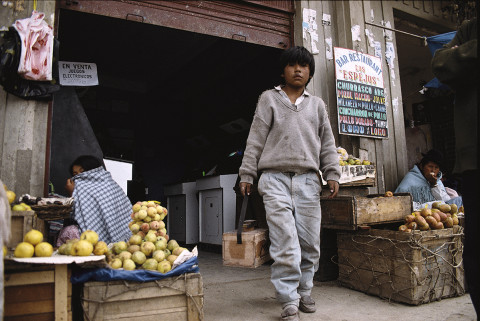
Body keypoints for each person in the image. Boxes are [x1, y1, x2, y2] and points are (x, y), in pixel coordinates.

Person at [238, 46, 340, 321]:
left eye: (304, 66)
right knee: (285, 242)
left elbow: (327, 143)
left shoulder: (317, 105)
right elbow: (255, 138)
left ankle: (305, 290)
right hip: (274, 179)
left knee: (309, 244)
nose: (298, 70)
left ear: (310, 73)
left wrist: (332, 172)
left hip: (308, 181)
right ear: (283, 70)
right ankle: (288, 300)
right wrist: (247, 174)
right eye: (293, 65)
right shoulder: (269, 99)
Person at [431, 17, 478, 315]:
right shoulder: (470, 26)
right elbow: (440, 64)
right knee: (475, 246)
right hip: (474, 159)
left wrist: (463, 54)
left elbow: (451, 60)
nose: (433, 172)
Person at [65, 155, 131, 244]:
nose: (79, 177)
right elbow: (74, 215)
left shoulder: (111, 186)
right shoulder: (79, 189)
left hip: (122, 241)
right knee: (69, 231)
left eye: (83, 172)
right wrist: (72, 194)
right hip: (89, 242)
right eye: (75, 174)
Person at [395, 149, 462, 209]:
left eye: (436, 168)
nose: (433, 170)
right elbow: (400, 203)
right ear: (421, 166)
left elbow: (446, 201)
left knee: (459, 200)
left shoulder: (438, 181)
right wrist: (431, 206)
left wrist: (434, 185)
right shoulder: (411, 179)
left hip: (439, 215)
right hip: (420, 214)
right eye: (430, 166)